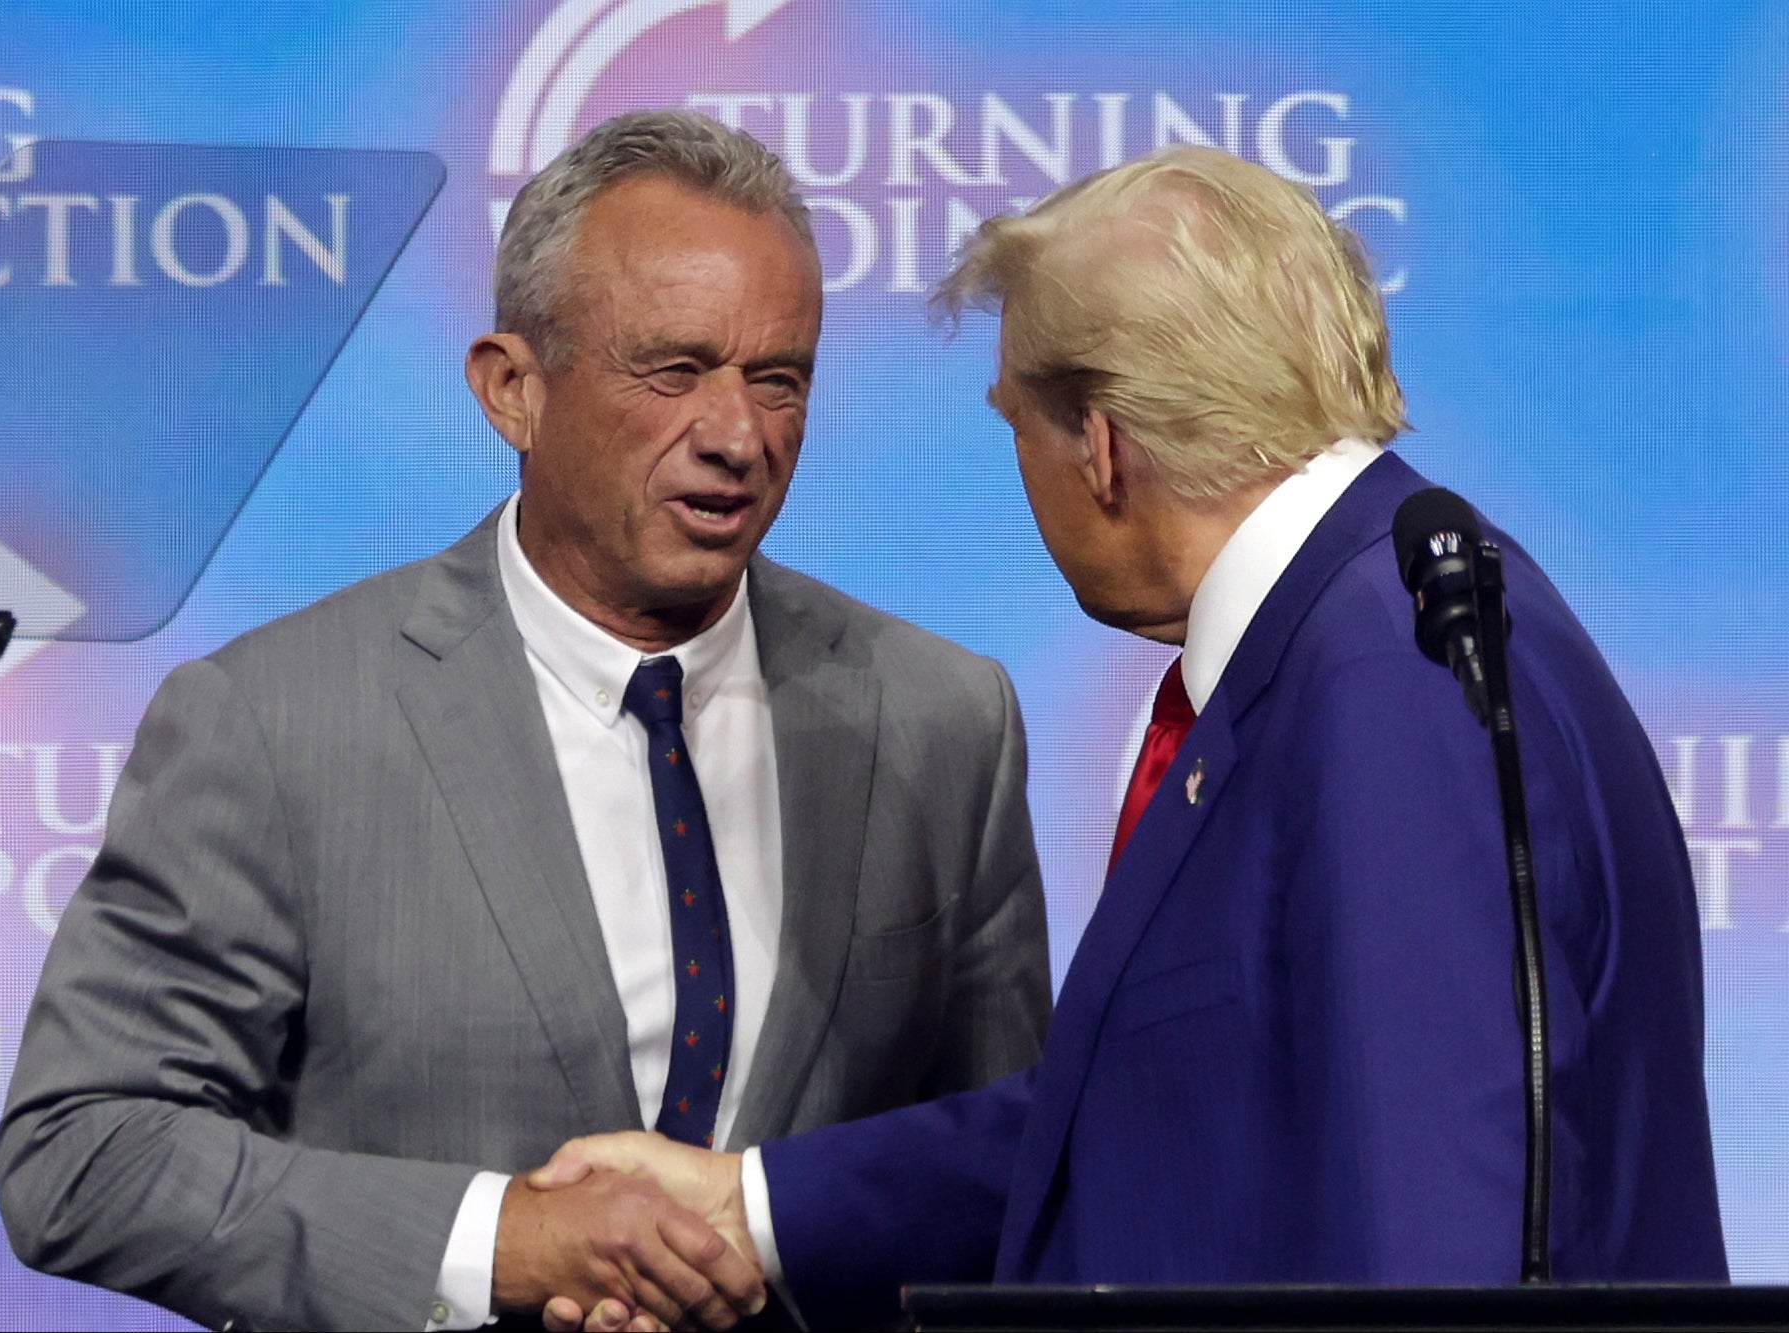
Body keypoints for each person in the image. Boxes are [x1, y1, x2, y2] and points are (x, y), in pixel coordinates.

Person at [533, 143, 1727, 1329]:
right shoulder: (1357, 636)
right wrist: (751, 1201)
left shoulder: (1387, 682)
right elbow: (1146, 1108)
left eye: (1016, 427)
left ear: (1099, 446)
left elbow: (1432, 1235)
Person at [0, 109, 1051, 1333]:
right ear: (512, 389)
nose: (736, 436)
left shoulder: (938, 720)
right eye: (672, 369)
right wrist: (503, 1240)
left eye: (778, 380)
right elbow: (86, 1150)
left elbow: (1009, 1175)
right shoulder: (274, 722)